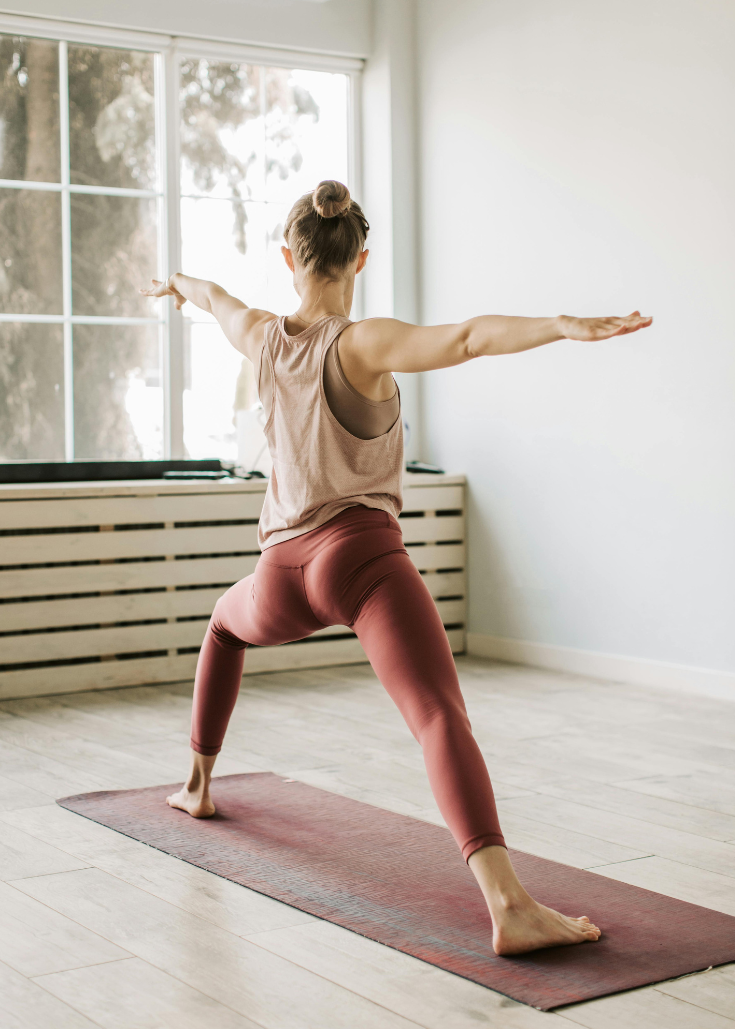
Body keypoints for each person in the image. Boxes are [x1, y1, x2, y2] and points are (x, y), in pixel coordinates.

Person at [141, 179, 651, 956]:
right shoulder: (360, 343)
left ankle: (198, 786)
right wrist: (559, 324)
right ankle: (506, 903)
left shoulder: (259, 334)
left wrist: (177, 286)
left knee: (223, 624)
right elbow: (470, 337)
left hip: (279, 571)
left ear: (289, 258)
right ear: (361, 260)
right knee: (437, 713)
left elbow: (211, 294)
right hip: (360, 558)